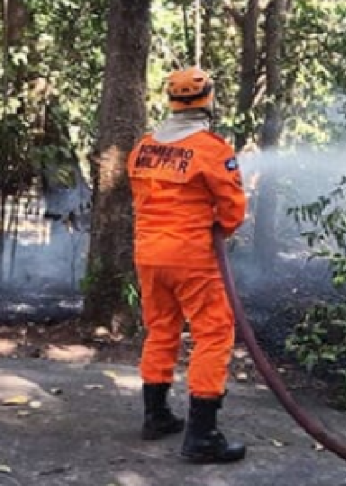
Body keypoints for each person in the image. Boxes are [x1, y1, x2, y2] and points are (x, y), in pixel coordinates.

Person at [127, 66, 247, 463]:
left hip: (148, 255)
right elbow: (232, 209)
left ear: (171, 101)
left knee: (161, 328)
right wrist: (220, 229)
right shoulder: (212, 149)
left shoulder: (143, 147)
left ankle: (156, 416)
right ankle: (202, 437)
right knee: (214, 333)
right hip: (191, 257)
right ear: (208, 99)